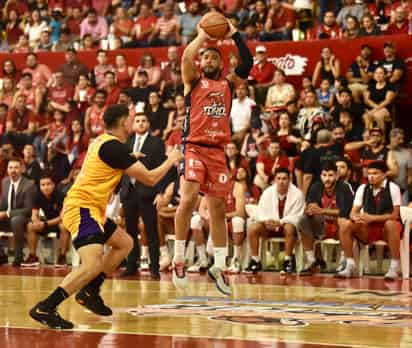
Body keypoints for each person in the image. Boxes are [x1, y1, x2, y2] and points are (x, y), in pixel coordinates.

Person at [29, 104, 182, 329]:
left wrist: (131, 155)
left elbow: (112, 158)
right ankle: (46, 307)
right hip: (82, 208)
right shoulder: (114, 148)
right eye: (130, 119)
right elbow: (149, 178)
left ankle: (90, 292)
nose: (132, 122)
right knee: (92, 264)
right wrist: (172, 159)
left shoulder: (103, 142)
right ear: (122, 122)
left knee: (125, 243)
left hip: (92, 208)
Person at [172, 20, 253, 295]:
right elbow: (186, 57)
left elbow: (247, 65)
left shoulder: (228, 84)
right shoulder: (192, 81)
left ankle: (218, 266)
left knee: (218, 209)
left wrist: (235, 35)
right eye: (204, 56)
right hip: (193, 146)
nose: (207, 60)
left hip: (218, 150)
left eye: (212, 57)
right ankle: (179, 258)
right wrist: (202, 36)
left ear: (220, 64)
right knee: (189, 198)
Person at [120, 113, 169, 278]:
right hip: (129, 191)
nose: (140, 124)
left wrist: (160, 192)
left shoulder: (157, 142)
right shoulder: (127, 142)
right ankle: (131, 265)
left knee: (151, 230)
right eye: (137, 121)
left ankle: (154, 267)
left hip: (148, 192)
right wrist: (118, 191)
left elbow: (163, 167)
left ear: (148, 124)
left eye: (143, 121)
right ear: (133, 124)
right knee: (130, 231)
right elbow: (122, 168)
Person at [337, 161, 402, 280]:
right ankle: (350, 265)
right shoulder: (363, 188)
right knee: (345, 224)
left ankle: (394, 267)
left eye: (375, 173)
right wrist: (355, 217)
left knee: (391, 223)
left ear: (384, 175)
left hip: (388, 230)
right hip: (368, 229)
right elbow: (353, 211)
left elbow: (395, 215)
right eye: (369, 173)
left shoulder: (393, 188)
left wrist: (373, 218)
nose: (370, 176)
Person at [298, 161, 353, 275]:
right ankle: (311, 260)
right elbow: (310, 207)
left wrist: (322, 210)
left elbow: (345, 212)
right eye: (324, 175)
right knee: (303, 221)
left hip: (340, 226)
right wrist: (309, 210)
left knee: (343, 222)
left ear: (337, 176)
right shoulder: (316, 186)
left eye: (330, 175)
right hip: (322, 225)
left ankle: (344, 260)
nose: (327, 179)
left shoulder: (344, 187)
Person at [246, 168, 304, 274]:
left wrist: (280, 222)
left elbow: (297, 216)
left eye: (284, 179)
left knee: (290, 227)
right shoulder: (267, 192)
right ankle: (255, 260)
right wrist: (266, 221)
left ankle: (288, 261)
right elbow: (261, 211)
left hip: (286, 227)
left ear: (290, 179)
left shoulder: (298, 194)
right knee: (253, 228)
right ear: (275, 180)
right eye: (279, 178)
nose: (281, 181)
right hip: (269, 226)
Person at [22, 173, 70, 267]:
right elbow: (34, 213)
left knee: (63, 226)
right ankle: (33, 256)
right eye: (42, 185)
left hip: (59, 222)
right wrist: (36, 221)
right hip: (46, 223)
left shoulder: (61, 196)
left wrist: (45, 223)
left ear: (53, 185)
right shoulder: (38, 196)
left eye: (48, 184)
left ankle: (62, 256)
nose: (45, 187)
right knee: (30, 225)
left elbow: (62, 217)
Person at [0, 158, 36, 266]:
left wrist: (7, 214)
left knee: (16, 220)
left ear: (22, 169)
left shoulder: (29, 185)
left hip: (24, 217)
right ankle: (1, 254)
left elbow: (28, 209)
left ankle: (18, 256)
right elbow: (4, 203)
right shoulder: (5, 181)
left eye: (16, 167)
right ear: (7, 169)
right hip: (8, 216)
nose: (13, 170)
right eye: (10, 168)